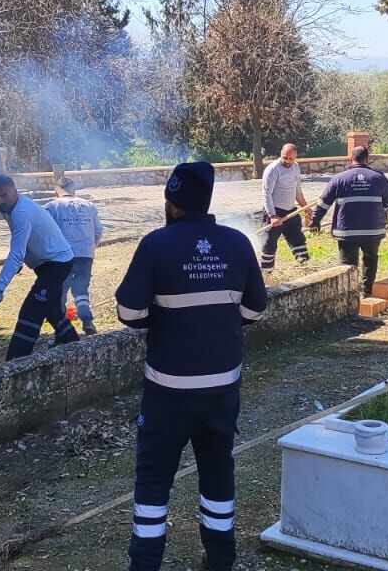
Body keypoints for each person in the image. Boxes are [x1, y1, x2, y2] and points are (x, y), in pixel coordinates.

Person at [116, 162, 268, 571]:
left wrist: (165, 317)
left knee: (153, 484)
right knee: (218, 476)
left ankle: (144, 565)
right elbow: (255, 308)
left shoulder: (155, 245)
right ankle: (220, 561)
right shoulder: (237, 244)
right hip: (222, 392)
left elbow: (128, 311)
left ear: (172, 202)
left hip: (167, 394)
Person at [0, 175, 78, 359]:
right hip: (47, 264)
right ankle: (75, 346)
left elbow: (16, 253)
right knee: (51, 309)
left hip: (57, 263)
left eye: (4, 195)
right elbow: (25, 242)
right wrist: (22, 260)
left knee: (32, 310)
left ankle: (15, 362)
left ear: (15, 190)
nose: (1, 201)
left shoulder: (21, 212)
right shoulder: (10, 209)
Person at [308, 146, 388, 296]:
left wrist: (315, 221)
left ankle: (348, 295)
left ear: (351, 159)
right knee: (370, 259)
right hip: (373, 230)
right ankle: (366, 292)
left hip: (347, 231)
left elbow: (323, 203)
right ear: (367, 160)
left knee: (347, 265)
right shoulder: (378, 178)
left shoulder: (339, 179)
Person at [45, 177, 104, 335]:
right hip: (85, 254)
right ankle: (87, 320)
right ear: (74, 189)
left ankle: (63, 328)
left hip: (62, 256)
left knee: (60, 290)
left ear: (56, 192)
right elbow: (98, 230)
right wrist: (91, 246)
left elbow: (46, 232)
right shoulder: (89, 205)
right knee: (81, 288)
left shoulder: (51, 207)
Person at [259, 143, 310, 270]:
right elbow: (266, 194)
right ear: (281, 154)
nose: (287, 161)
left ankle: (305, 266)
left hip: (290, 211)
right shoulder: (272, 170)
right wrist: (272, 215)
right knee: (269, 244)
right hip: (275, 212)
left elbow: (297, 189)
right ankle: (266, 273)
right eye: (284, 157)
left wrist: (305, 207)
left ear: (296, 157)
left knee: (298, 239)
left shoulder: (296, 167)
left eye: (291, 159)